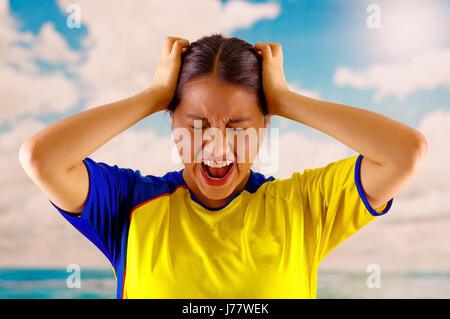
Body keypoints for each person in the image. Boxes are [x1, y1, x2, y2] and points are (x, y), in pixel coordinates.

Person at [19, 34, 428, 299]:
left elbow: (406, 152)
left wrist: (285, 101)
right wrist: (153, 94)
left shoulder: (302, 207)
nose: (216, 147)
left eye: (237, 126)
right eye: (196, 126)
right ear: (171, 121)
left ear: (265, 124)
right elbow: (41, 158)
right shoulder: (129, 205)